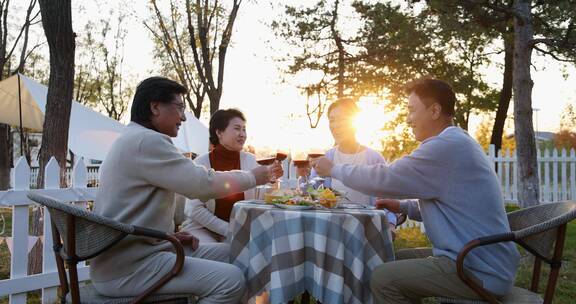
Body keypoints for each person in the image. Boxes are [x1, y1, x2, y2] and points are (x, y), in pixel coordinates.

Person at [311, 78, 520, 303]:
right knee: (392, 259)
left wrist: (334, 169)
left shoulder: (444, 147)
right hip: (476, 257)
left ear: (434, 111)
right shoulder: (457, 142)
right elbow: (451, 204)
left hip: (477, 267)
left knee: (383, 277)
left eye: (411, 110)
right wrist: (403, 206)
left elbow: (386, 177)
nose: (408, 119)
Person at [90, 77, 281, 304]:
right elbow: (201, 184)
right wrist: (252, 176)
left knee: (240, 253)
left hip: (141, 252)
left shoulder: (134, 139)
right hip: (128, 269)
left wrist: (166, 235)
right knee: (232, 281)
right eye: (179, 108)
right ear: (155, 107)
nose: (182, 117)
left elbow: (128, 209)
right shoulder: (146, 142)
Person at [180, 108, 283, 242]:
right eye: (237, 128)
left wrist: (272, 180)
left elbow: (261, 200)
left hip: (241, 230)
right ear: (219, 132)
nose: (242, 134)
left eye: (244, 129)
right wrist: (228, 230)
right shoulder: (200, 163)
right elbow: (194, 209)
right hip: (202, 229)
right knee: (227, 253)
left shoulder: (251, 160)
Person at [310, 98, 397, 231]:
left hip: (367, 229)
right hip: (331, 229)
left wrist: (391, 224)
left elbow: (388, 199)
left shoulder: (374, 158)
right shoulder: (326, 158)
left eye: (342, 119)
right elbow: (311, 195)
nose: (336, 125)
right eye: (332, 120)